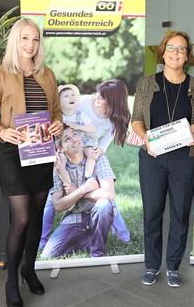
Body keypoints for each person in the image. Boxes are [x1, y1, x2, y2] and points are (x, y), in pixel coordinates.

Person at [0, 18, 63, 307]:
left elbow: (56, 112)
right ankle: (12, 281)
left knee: (38, 218)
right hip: (13, 154)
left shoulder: (48, 74)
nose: (31, 45)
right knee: (22, 219)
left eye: (36, 39)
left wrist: (57, 125)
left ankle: (29, 269)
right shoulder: (0, 74)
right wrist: (2, 131)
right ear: (16, 41)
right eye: (25, 39)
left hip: (41, 152)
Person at [132, 30, 194, 288]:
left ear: (187, 55)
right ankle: (153, 265)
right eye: (172, 48)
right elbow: (136, 121)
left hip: (185, 159)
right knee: (152, 212)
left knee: (180, 212)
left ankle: (174, 266)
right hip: (152, 159)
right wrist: (146, 139)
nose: (176, 53)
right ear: (162, 52)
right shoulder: (146, 84)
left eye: (182, 49)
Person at [40, 80, 131, 249]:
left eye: (102, 97)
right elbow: (63, 118)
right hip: (66, 150)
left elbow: (102, 147)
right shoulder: (82, 102)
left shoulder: (113, 121)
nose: (97, 97)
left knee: (105, 194)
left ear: (113, 102)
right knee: (53, 195)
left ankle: (123, 235)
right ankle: (43, 241)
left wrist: (91, 151)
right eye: (98, 93)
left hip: (88, 158)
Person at [40, 126, 116, 258]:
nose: (73, 139)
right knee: (48, 255)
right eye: (67, 139)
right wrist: (84, 188)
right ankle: (88, 238)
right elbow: (58, 205)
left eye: (75, 134)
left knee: (103, 205)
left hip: (96, 211)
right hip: (74, 215)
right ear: (60, 148)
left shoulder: (98, 158)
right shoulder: (59, 168)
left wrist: (75, 193)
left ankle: (97, 253)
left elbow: (108, 194)